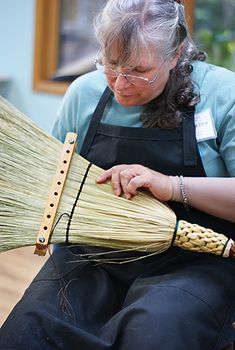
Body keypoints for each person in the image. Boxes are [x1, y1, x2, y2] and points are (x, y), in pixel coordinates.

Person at [1, 0, 235, 349]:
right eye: (111, 64)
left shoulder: (221, 94)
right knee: (30, 328)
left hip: (194, 259)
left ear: (176, 54)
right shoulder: (84, 93)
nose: (120, 83)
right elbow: (52, 183)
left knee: (154, 334)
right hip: (96, 253)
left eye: (139, 71)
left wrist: (171, 186)